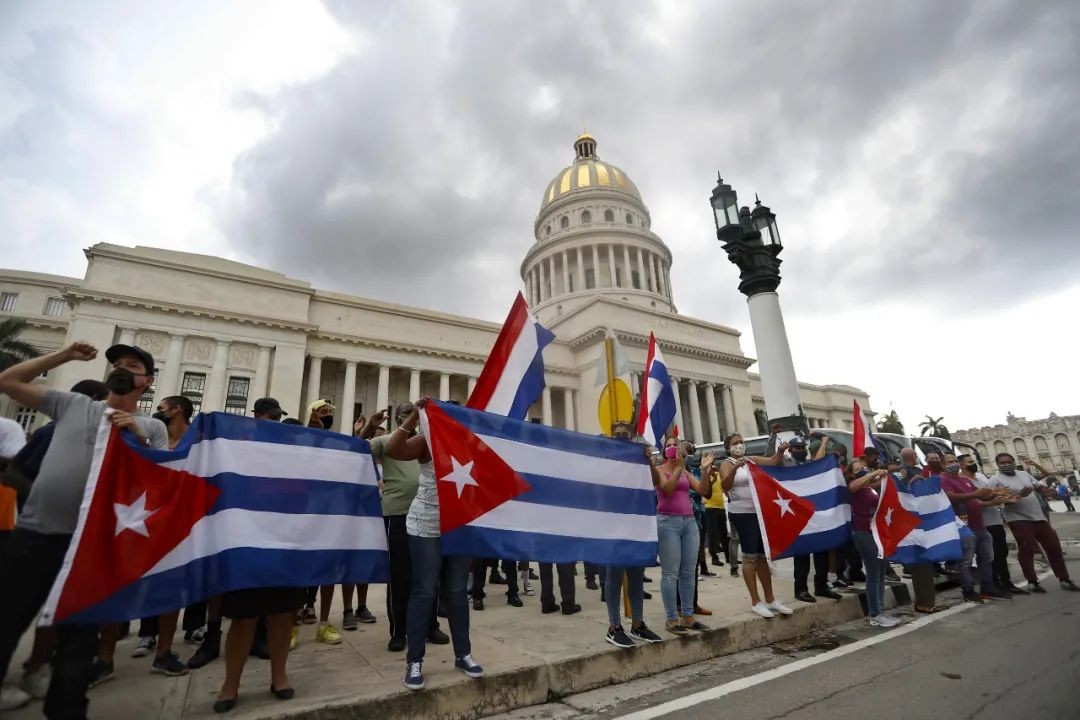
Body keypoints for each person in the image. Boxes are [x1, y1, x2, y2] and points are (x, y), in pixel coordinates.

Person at [0, 341, 168, 719]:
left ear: (147, 381)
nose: (121, 369)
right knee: (8, 618)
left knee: (78, 643)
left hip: (93, 547)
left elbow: (161, 482)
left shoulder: (151, 426)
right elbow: (8, 381)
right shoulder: (73, 404)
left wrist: (136, 437)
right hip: (38, 536)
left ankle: (66, 708)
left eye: (131, 366)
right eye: (117, 364)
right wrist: (63, 357)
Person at [1, 380, 108, 706]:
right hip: (38, 536)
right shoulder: (53, 433)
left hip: (79, 543)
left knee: (57, 617)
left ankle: (37, 669)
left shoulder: (106, 436)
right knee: (13, 614)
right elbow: (13, 471)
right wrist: (43, 497)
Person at [212, 397, 306, 713]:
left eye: (277, 418)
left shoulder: (291, 455)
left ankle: (279, 676)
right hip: (248, 541)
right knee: (243, 618)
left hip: (285, 541)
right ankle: (230, 684)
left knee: (283, 615)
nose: (273, 422)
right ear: (255, 418)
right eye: (268, 417)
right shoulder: (240, 449)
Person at [385, 399, 483, 692]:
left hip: (459, 525)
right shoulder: (427, 440)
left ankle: (463, 653)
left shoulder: (471, 444)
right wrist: (414, 417)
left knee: (456, 591)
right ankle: (414, 660)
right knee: (424, 590)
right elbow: (393, 449)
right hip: (425, 523)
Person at [361, 404, 448, 652]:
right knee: (399, 575)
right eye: (408, 414)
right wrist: (369, 427)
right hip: (397, 514)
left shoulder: (427, 443)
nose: (412, 418)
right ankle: (399, 631)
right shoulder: (387, 441)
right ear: (400, 417)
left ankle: (430, 625)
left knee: (428, 574)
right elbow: (358, 448)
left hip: (427, 515)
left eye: (415, 414)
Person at [719, 434, 794, 619]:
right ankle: (755, 601)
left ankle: (770, 599)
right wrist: (735, 469)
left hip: (758, 512)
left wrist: (780, 451)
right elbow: (725, 485)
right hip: (741, 514)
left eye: (741, 442)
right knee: (750, 556)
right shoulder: (727, 463)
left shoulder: (751, 460)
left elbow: (774, 462)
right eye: (735, 443)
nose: (739, 445)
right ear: (728, 448)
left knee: (761, 556)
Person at [988, 453, 1079, 594]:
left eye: (1008, 462)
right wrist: (1019, 495)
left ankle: (1064, 579)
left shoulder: (1023, 474)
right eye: (1002, 463)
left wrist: (1046, 491)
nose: (1006, 465)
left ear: (1013, 462)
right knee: (1027, 548)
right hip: (1017, 518)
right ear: (998, 465)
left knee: (1054, 546)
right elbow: (995, 501)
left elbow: (1038, 487)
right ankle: (1032, 582)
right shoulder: (995, 480)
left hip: (1038, 517)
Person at [655, 437, 711, 634]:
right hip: (668, 522)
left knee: (688, 572)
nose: (672, 448)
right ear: (664, 452)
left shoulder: (685, 470)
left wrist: (704, 471)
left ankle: (688, 616)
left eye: (675, 445)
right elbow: (667, 490)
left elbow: (703, 490)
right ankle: (672, 619)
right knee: (670, 573)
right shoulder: (660, 470)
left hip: (689, 522)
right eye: (668, 445)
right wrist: (678, 468)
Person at [940, 453, 1008, 603]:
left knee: (986, 558)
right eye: (950, 462)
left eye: (955, 460)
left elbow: (978, 498)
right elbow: (950, 496)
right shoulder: (943, 480)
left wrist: (993, 494)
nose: (954, 463)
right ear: (943, 465)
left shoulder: (964, 480)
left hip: (979, 525)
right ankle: (968, 590)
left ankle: (987, 587)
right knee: (966, 561)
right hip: (963, 526)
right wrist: (976, 493)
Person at [785, 436, 842, 604]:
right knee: (802, 553)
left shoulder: (810, 463)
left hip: (815, 513)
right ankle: (801, 589)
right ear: (791, 449)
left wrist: (824, 443)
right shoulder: (787, 464)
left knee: (822, 550)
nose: (801, 450)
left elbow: (819, 462)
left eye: (803, 447)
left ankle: (821, 586)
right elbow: (774, 462)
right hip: (797, 515)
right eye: (797, 448)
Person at [961, 454, 1026, 595]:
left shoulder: (981, 477)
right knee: (989, 556)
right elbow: (972, 501)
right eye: (970, 462)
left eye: (974, 461)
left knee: (1001, 552)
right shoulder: (963, 481)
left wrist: (1003, 496)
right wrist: (991, 502)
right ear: (962, 465)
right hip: (982, 522)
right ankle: (993, 583)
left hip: (995, 518)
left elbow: (991, 494)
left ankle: (1006, 583)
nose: (973, 463)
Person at [846, 458, 899, 627]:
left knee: (881, 572)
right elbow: (853, 486)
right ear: (852, 474)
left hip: (877, 533)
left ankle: (880, 611)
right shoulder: (856, 487)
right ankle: (875, 613)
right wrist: (874, 473)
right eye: (858, 469)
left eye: (864, 467)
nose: (863, 470)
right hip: (864, 533)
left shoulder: (869, 488)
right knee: (874, 573)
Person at [703, 456, 730, 568]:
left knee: (724, 534)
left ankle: (730, 558)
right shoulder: (705, 475)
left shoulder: (718, 474)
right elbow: (705, 490)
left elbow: (723, 488)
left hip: (720, 507)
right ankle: (714, 557)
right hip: (710, 507)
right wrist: (711, 477)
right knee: (713, 534)